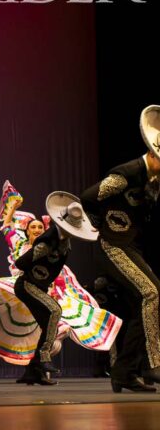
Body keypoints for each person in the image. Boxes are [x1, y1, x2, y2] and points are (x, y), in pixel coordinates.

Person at [0, 181, 122, 374]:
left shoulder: (59, 244)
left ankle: (34, 371)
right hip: (23, 286)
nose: (36, 229)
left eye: (39, 227)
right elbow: (10, 233)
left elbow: (57, 275)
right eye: (33, 227)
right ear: (27, 231)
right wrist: (13, 208)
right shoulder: (24, 244)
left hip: (43, 289)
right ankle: (41, 361)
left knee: (49, 328)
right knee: (52, 314)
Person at [80, 105, 160, 393]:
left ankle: (124, 372)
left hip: (130, 247)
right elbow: (88, 197)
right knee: (152, 292)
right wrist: (103, 225)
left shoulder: (154, 181)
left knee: (144, 304)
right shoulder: (126, 174)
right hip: (113, 246)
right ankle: (154, 364)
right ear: (152, 154)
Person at [13, 192, 100, 386]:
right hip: (27, 285)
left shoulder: (64, 241)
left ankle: (33, 372)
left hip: (39, 286)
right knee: (55, 311)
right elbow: (20, 263)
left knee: (49, 324)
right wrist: (39, 264)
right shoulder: (48, 241)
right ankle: (44, 356)